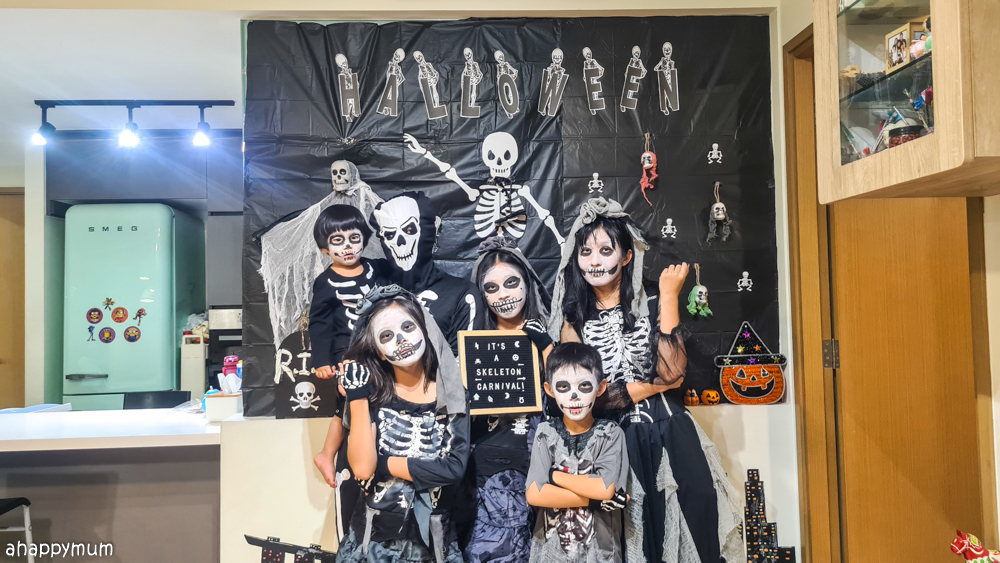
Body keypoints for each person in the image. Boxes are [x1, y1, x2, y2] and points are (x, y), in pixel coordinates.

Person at [547, 198, 743, 563]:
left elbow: (673, 372)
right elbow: (587, 399)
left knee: (695, 518)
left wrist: (669, 296)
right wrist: (653, 386)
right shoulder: (572, 318)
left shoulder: (654, 297)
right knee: (629, 536)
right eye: (586, 251)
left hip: (671, 431)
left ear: (626, 256)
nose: (594, 260)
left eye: (605, 250)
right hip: (611, 441)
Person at [334, 285, 470, 563]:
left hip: (434, 544)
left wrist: (383, 464)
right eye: (386, 335)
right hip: (373, 543)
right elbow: (362, 468)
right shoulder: (372, 397)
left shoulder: (454, 395)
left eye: (408, 327)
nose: (401, 339)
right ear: (380, 352)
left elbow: (453, 469)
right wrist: (357, 396)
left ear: (425, 330)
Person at [461, 236, 554, 563]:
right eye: (492, 288)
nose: (503, 295)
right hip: (488, 471)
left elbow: (567, 395)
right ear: (482, 295)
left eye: (511, 283)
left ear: (527, 283)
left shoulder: (549, 336)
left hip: (541, 466)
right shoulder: (470, 346)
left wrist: (546, 347)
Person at [310, 205, 389, 498]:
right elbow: (320, 324)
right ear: (324, 248)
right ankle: (332, 454)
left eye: (354, 239)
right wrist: (322, 360)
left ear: (364, 240)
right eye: (337, 241)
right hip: (348, 354)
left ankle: (350, 455)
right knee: (350, 403)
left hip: (381, 350)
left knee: (377, 401)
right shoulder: (325, 282)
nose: (347, 247)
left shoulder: (378, 269)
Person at [525, 342, 629, 563]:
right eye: (563, 387)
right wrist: (595, 501)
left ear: (600, 387)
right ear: (549, 390)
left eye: (584, 386)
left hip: (600, 555)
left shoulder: (610, 433)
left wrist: (554, 476)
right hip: (550, 554)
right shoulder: (545, 432)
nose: (574, 396)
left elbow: (603, 488)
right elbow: (535, 494)